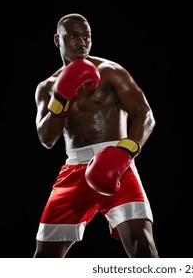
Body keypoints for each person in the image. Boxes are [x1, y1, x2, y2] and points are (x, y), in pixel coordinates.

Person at [33, 13, 158, 258]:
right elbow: (46, 139)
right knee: (45, 257)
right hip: (74, 169)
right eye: (73, 36)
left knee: (142, 245)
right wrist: (61, 97)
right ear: (57, 40)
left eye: (86, 36)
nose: (81, 42)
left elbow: (145, 115)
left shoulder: (111, 71)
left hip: (117, 161)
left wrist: (125, 153)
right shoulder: (47, 87)